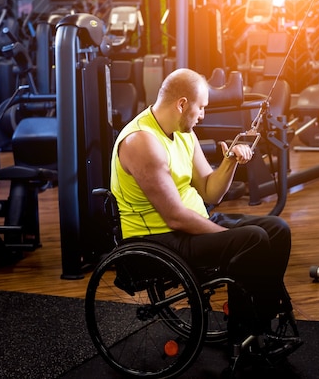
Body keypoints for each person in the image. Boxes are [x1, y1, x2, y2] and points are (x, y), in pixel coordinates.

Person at [110, 67, 302, 361]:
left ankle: (259, 323)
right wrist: (229, 237)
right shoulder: (142, 142)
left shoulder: (183, 134)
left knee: (277, 229)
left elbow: (211, 193)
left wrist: (231, 161)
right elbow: (174, 218)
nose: (202, 115)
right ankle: (243, 334)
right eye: (201, 108)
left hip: (191, 225)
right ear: (182, 104)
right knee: (251, 239)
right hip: (160, 239)